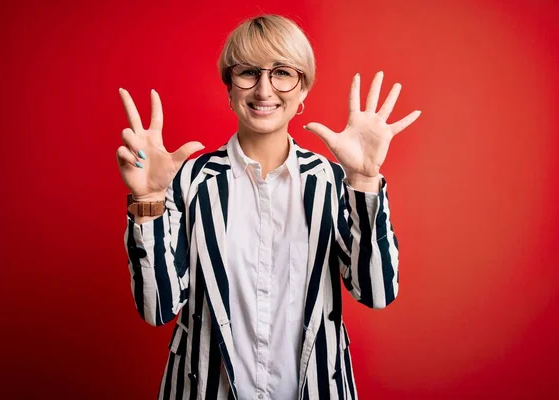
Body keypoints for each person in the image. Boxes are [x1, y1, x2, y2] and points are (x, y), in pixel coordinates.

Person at [117, 14, 420, 400]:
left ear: (302, 90)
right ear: (229, 88)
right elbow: (156, 308)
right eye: (248, 72)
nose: (264, 90)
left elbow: (376, 291)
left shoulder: (331, 180)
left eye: (282, 73)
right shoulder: (188, 180)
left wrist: (362, 181)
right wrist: (147, 202)